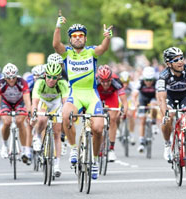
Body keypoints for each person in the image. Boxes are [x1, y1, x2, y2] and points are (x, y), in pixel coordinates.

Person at [52, 12, 113, 179]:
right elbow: (56, 44)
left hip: (91, 94)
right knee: (65, 115)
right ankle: (73, 148)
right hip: (75, 94)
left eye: (81, 36)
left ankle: (93, 160)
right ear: (70, 39)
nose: (78, 38)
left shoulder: (91, 52)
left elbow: (103, 48)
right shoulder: (67, 53)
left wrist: (107, 37)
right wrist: (58, 26)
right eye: (74, 36)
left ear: (85, 38)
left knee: (98, 129)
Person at [31, 62, 69, 177]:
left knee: (57, 133)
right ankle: (37, 136)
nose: (51, 80)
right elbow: (35, 102)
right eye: (49, 76)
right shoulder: (40, 82)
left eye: (54, 77)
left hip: (56, 103)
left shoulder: (62, 83)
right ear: (45, 75)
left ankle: (57, 164)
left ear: (58, 77)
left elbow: (65, 102)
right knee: (42, 118)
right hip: (43, 102)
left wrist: (66, 114)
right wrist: (34, 112)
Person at [0, 63, 32, 164]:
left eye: (13, 77)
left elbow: (27, 100)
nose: (11, 80)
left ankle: (24, 150)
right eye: (8, 78)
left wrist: (29, 114)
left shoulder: (22, 82)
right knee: (7, 122)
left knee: (20, 121)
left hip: (19, 102)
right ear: (4, 77)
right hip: (6, 103)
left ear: (17, 76)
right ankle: (4, 145)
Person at [96, 65, 128, 162]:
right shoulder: (95, 81)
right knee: (97, 119)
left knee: (113, 118)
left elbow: (124, 102)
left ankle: (111, 149)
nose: (105, 84)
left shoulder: (116, 81)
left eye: (108, 81)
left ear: (111, 79)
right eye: (103, 82)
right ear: (99, 79)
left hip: (111, 97)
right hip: (98, 96)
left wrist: (124, 112)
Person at [133, 66, 158, 153]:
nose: (148, 82)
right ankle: (141, 141)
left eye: (150, 80)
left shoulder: (157, 82)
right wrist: (135, 102)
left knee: (154, 105)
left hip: (153, 97)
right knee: (142, 119)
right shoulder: (140, 82)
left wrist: (158, 102)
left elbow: (159, 95)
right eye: (146, 80)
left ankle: (154, 123)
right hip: (142, 99)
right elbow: (134, 95)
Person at [119, 71, 136, 145]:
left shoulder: (132, 85)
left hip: (128, 101)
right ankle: (118, 130)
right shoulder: (118, 85)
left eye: (127, 82)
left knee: (131, 115)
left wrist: (135, 103)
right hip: (119, 100)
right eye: (123, 82)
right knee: (117, 114)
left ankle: (131, 135)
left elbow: (135, 95)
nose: (125, 84)